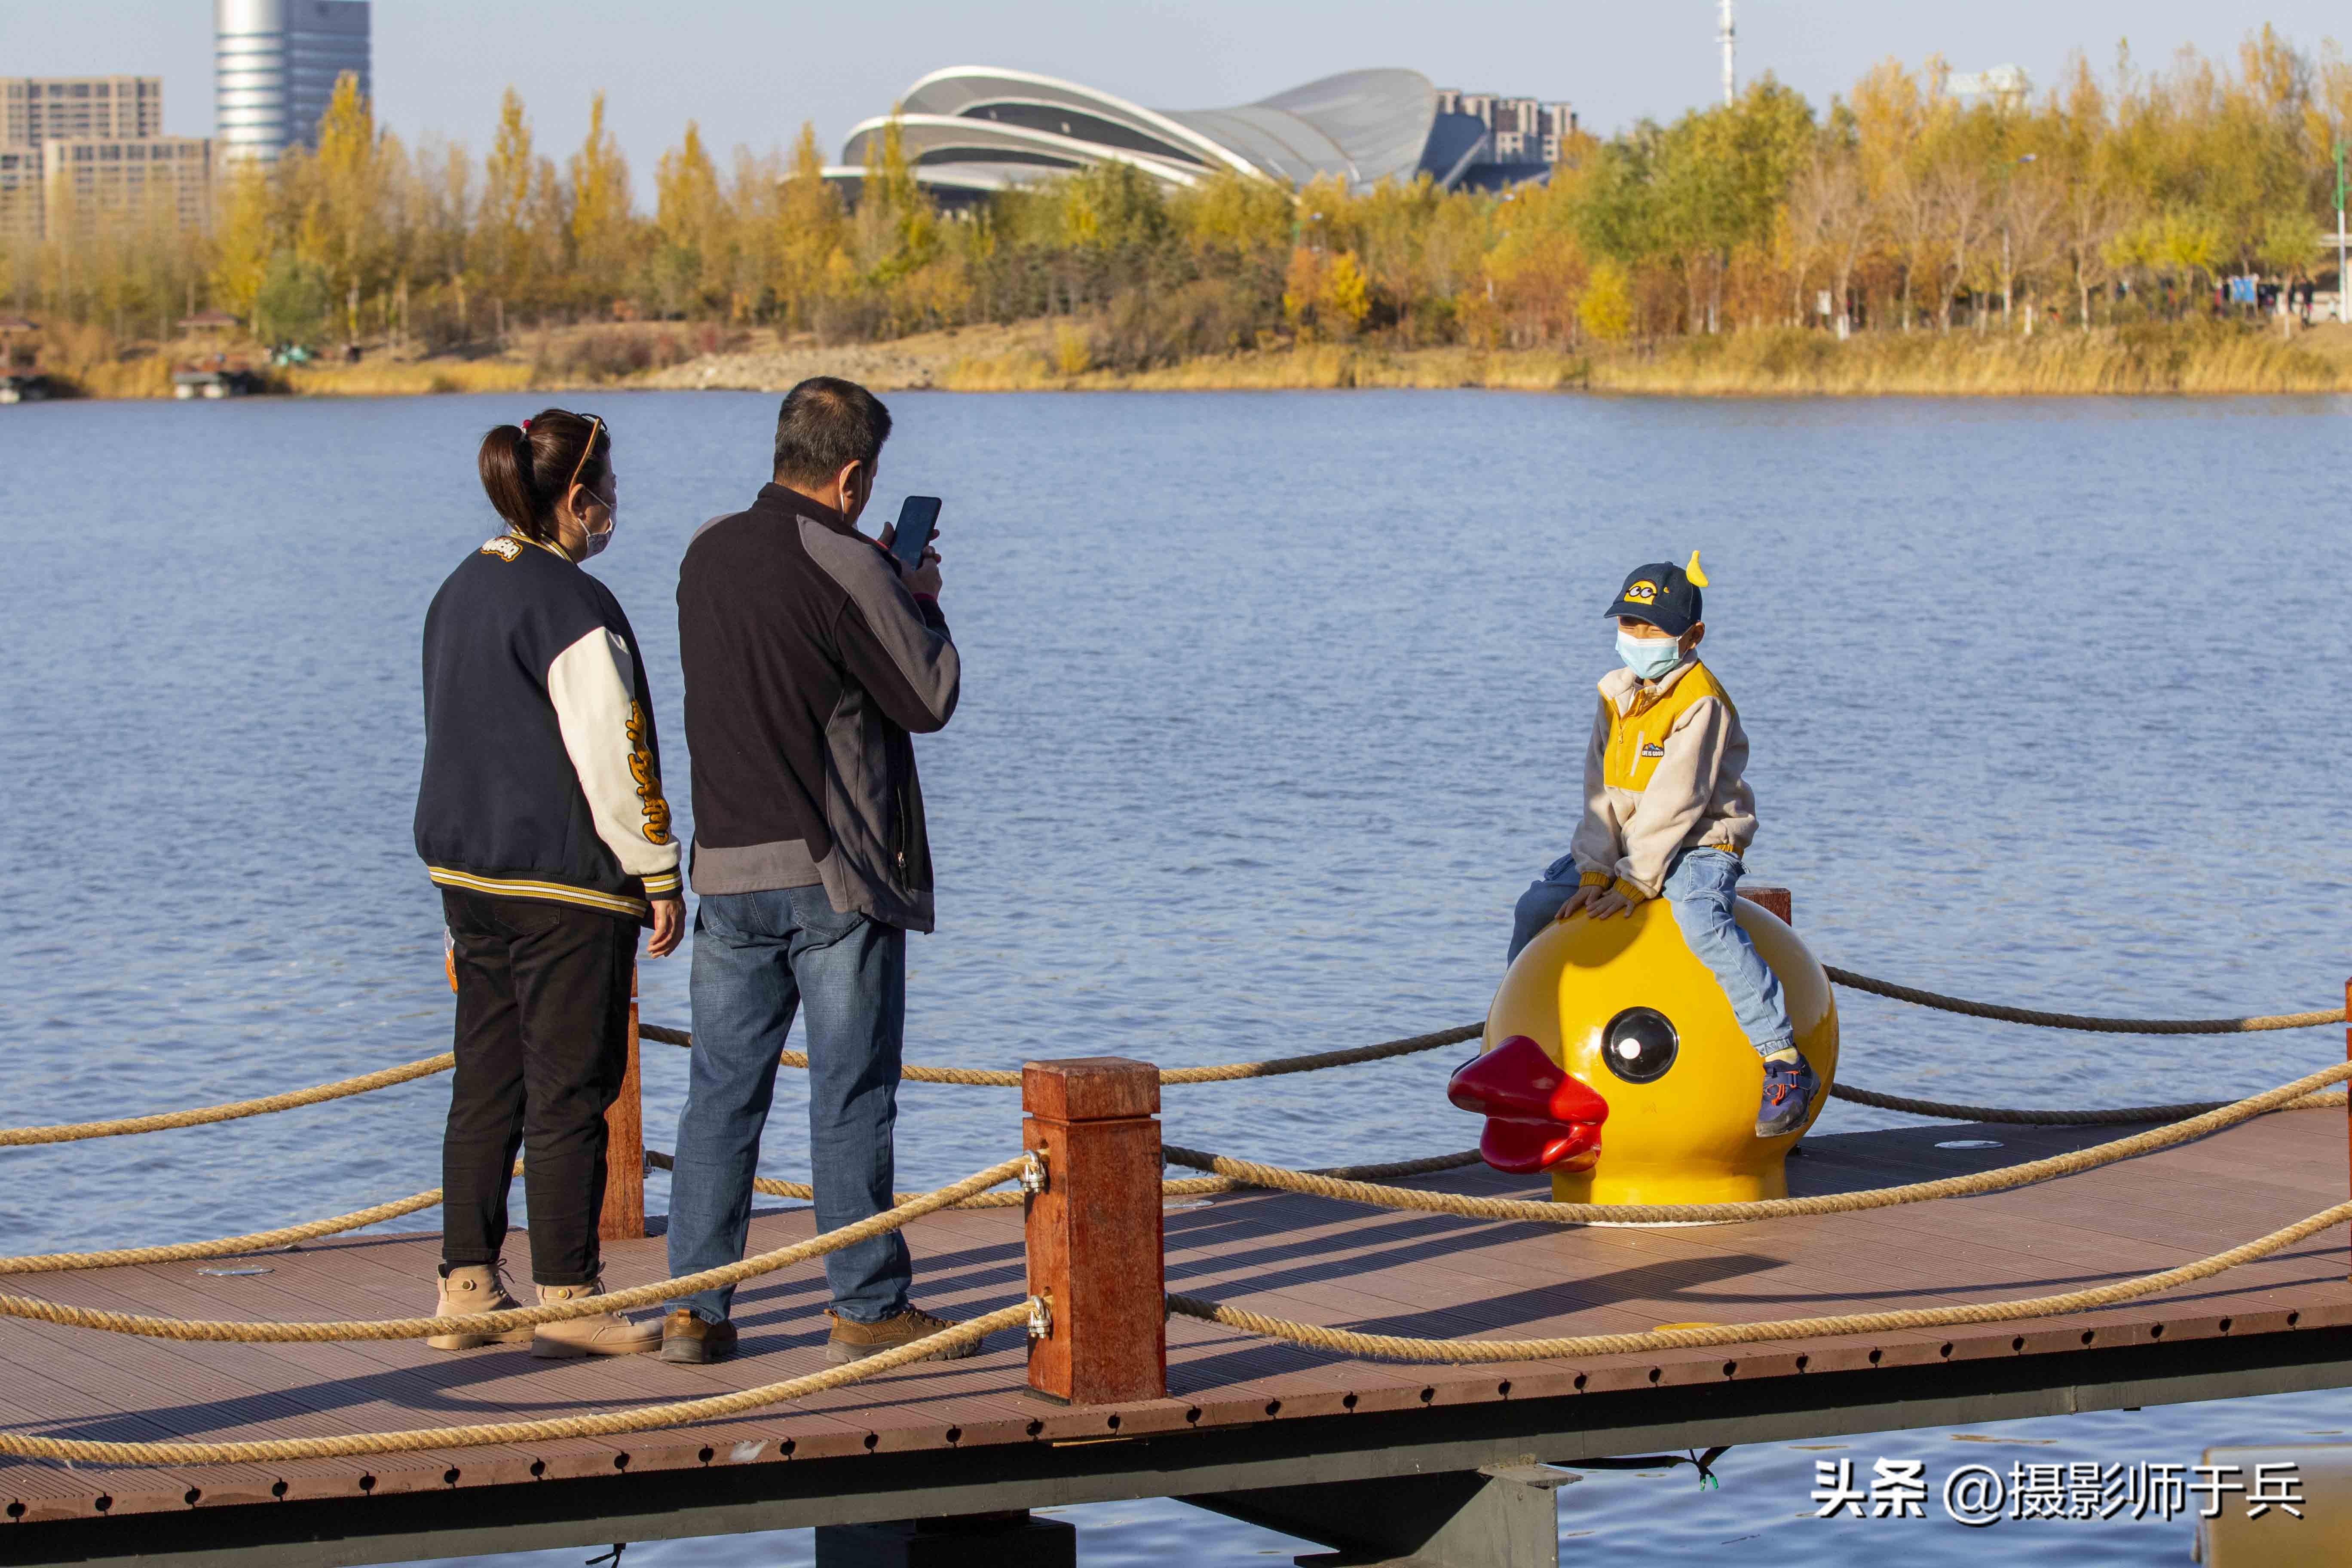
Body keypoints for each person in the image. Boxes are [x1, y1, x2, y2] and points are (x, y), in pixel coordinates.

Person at [662, 377, 963, 1366]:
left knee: (720, 1096)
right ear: (850, 476)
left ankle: (693, 1310)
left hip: (724, 872)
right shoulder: (849, 562)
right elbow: (927, 696)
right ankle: (867, 1307)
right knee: (850, 1093)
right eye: (867, 481)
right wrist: (918, 601)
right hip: (832, 876)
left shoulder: (704, 552)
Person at [413, 409, 684, 1358]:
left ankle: (468, 1287)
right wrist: (659, 871)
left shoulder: (457, 591)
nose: (615, 508)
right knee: (572, 1092)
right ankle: (571, 1299)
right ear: (576, 498)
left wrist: (451, 915)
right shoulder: (575, 606)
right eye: (609, 490)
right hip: (565, 885)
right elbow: (619, 756)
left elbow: (452, 737)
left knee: (485, 1082)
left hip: (468, 879)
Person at [1506, 554, 1817, 1138]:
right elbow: (1599, 797)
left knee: (1702, 922)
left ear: (1692, 635)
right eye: (1628, 624)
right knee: (1538, 907)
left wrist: (1635, 882)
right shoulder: (1614, 695)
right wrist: (1597, 873)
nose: (1637, 638)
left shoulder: (1701, 699)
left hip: (1700, 841)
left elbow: (1679, 800)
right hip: (1627, 847)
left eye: (1652, 628)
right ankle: (1519, 1051)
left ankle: (1783, 1061)